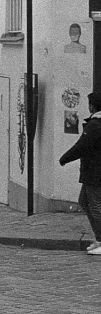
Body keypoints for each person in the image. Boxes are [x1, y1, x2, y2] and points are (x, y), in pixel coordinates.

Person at [59, 92, 101, 254]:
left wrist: (65, 158)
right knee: (84, 201)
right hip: (92, 172)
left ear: (93, 106)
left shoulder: (95, 125)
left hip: (95, 172)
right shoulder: (95, 124)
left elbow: (82, 146)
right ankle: (98, 239)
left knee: (95, 206)